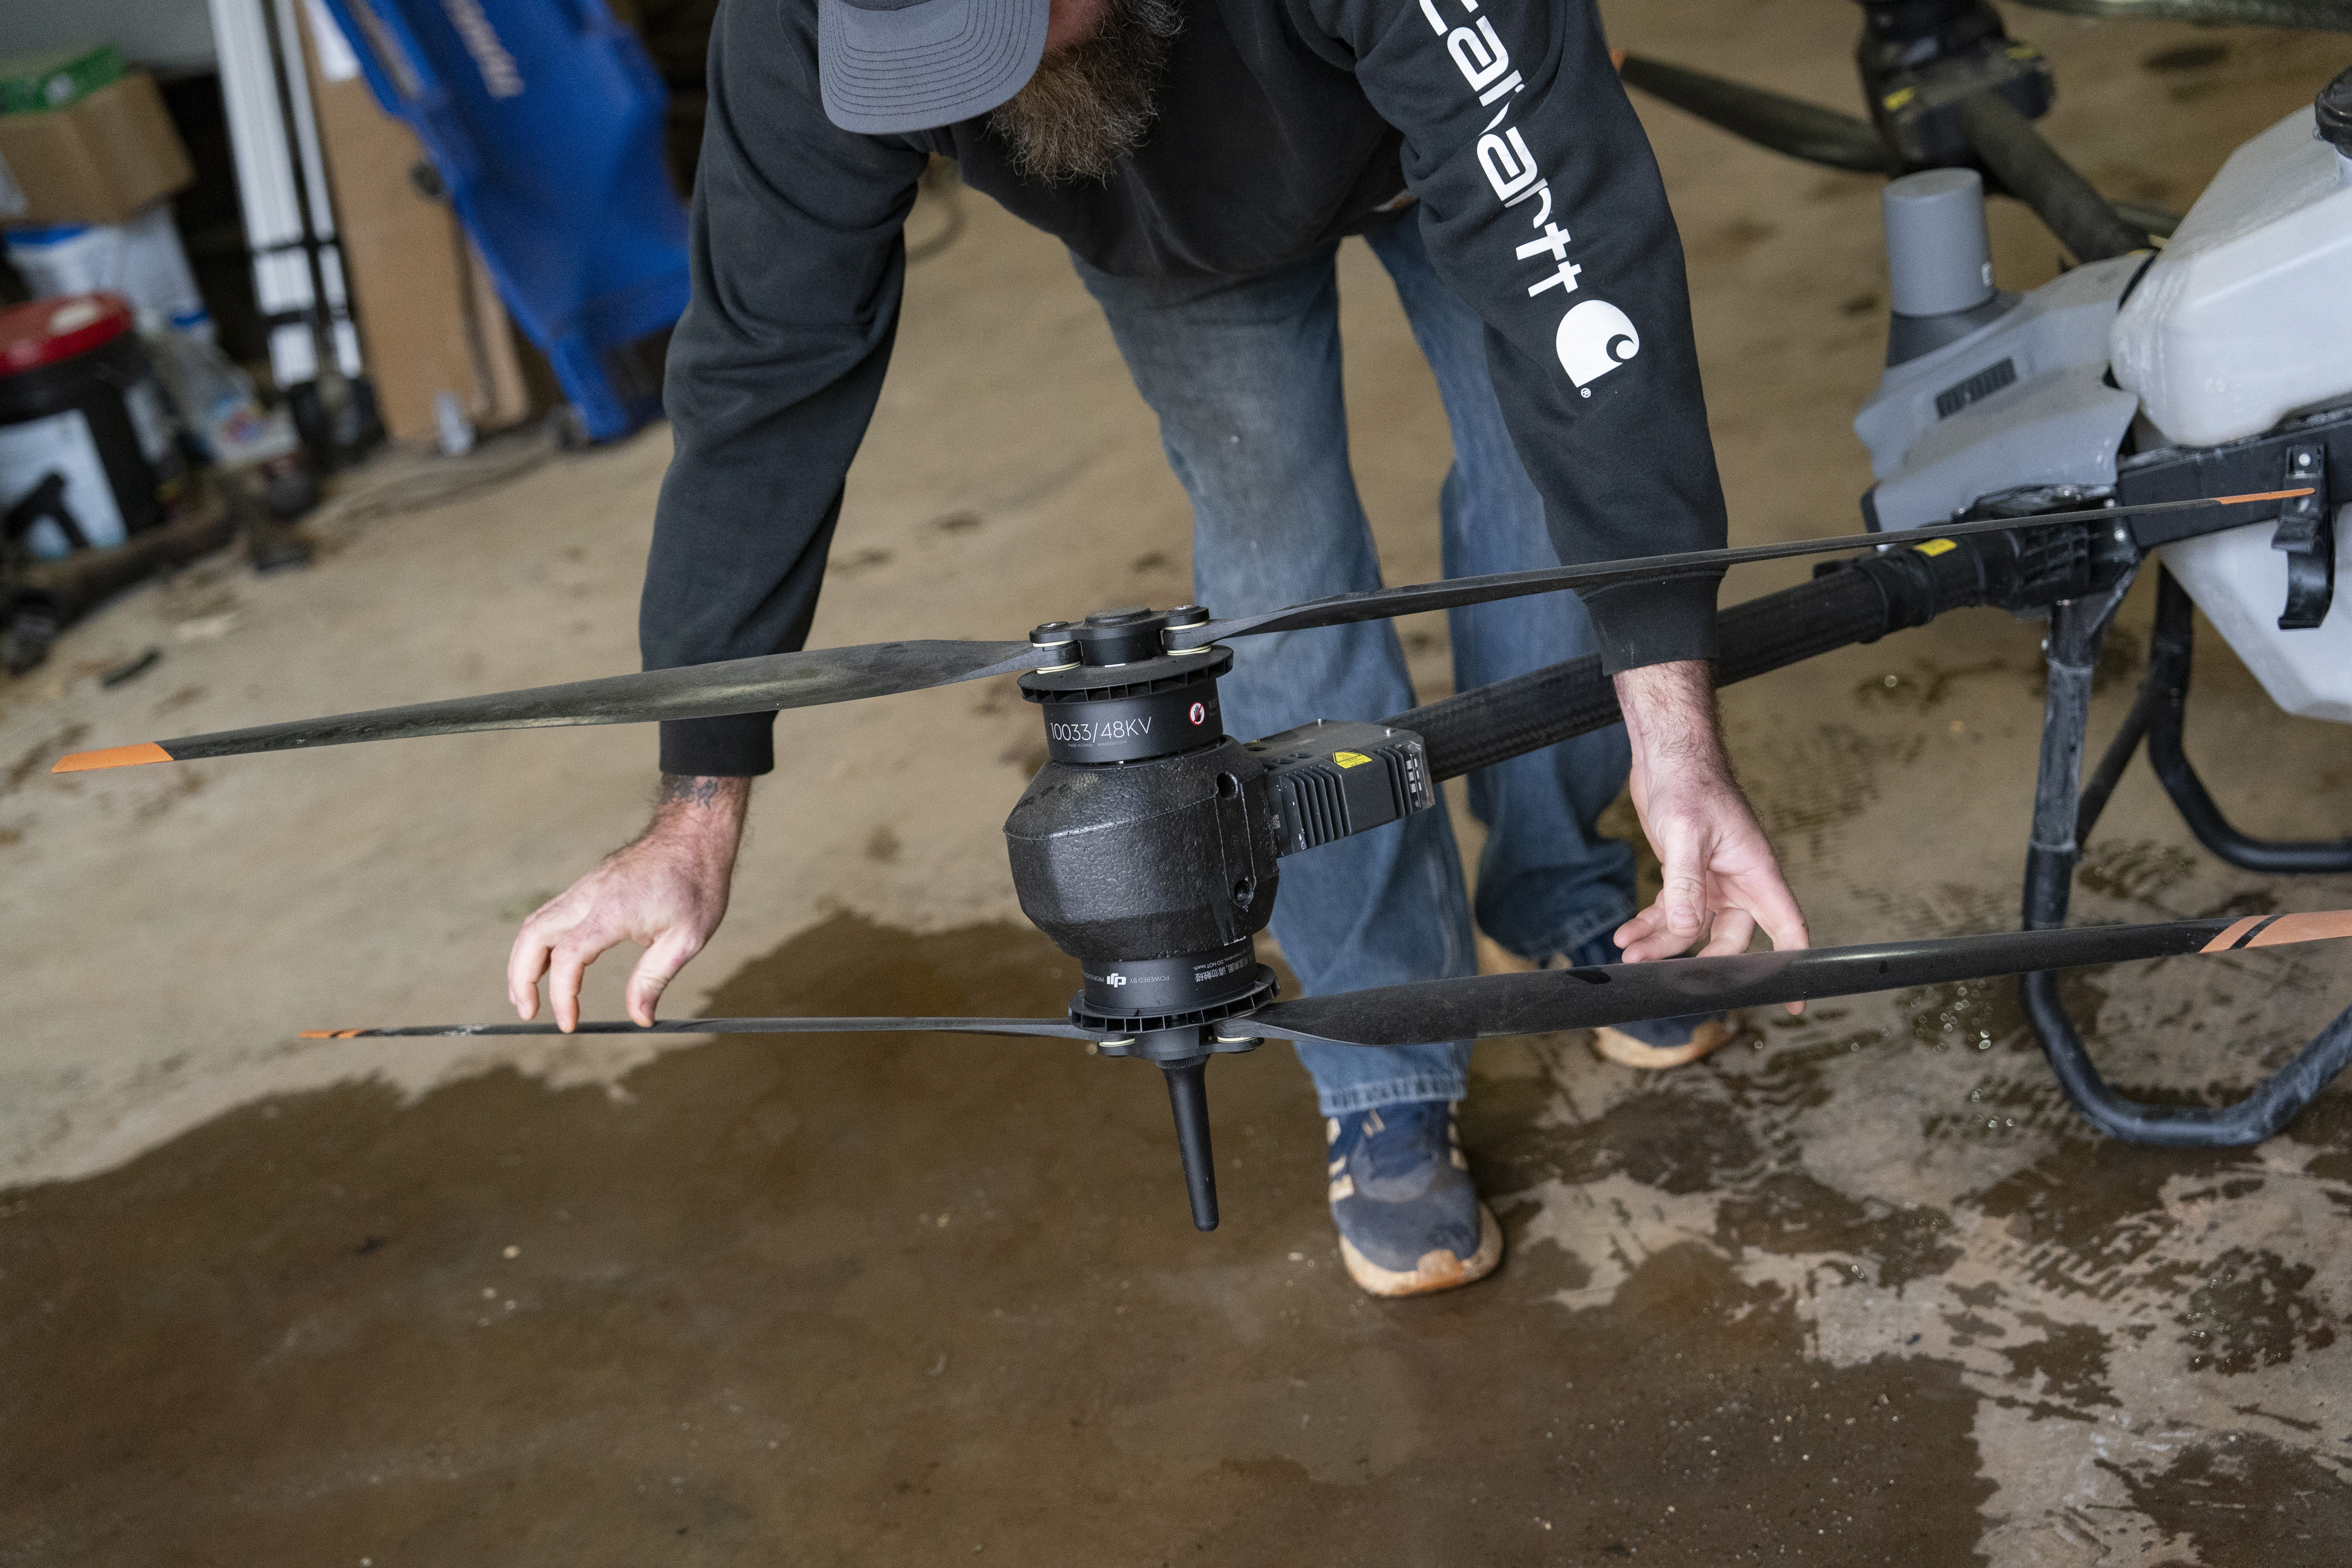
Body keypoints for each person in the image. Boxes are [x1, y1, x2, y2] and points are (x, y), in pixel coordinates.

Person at [507, 0, 1809, 1298]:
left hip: (1432, 140)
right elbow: (763, 373)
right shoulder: (800, 22)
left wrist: (1678, 745)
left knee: (1545, 489)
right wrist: (695, 805)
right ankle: (1386, 1053)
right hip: (1170, 229)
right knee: (1279, 578)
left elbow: (1583, 284)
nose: (984, 81)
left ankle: (1560, 881)